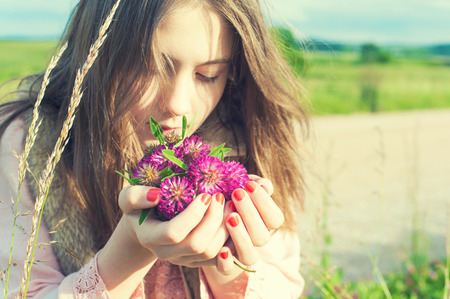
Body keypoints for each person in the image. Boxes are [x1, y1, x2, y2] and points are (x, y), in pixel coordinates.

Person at [0, 0, 309, 298]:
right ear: (98, 52)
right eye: (150, 68)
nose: (178, 103)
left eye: (208, 75)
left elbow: (285, 284)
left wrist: (230, 266)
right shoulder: (29, 144)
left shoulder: (244, 140)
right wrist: (129, 251)